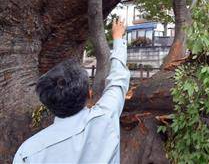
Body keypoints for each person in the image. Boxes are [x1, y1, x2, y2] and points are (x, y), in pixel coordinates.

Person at [13, 19, 130, 163]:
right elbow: (118, 80)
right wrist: (118, 38)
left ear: (47, 104)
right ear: (89, 94)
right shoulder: (105, 117)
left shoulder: (28, 153)